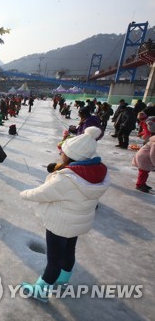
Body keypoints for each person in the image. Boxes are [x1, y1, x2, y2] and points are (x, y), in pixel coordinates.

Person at [19, 126, 109, 302]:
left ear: (70, 155)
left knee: (54, 259)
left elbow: (41, 193)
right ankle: (63, 278)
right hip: (77, 221)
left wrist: (23, 193)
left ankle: (41, 291)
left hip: (60, 222)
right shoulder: (96, 173)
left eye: (63, 152)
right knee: (69, 251)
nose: (60, 154)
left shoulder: (67, 178)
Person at [132, 117, 155, 193]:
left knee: (145, 172)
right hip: (144, 158)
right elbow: (153, 154)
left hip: (145, 157)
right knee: (143, 173)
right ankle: (139, 185)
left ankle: (143, 183)